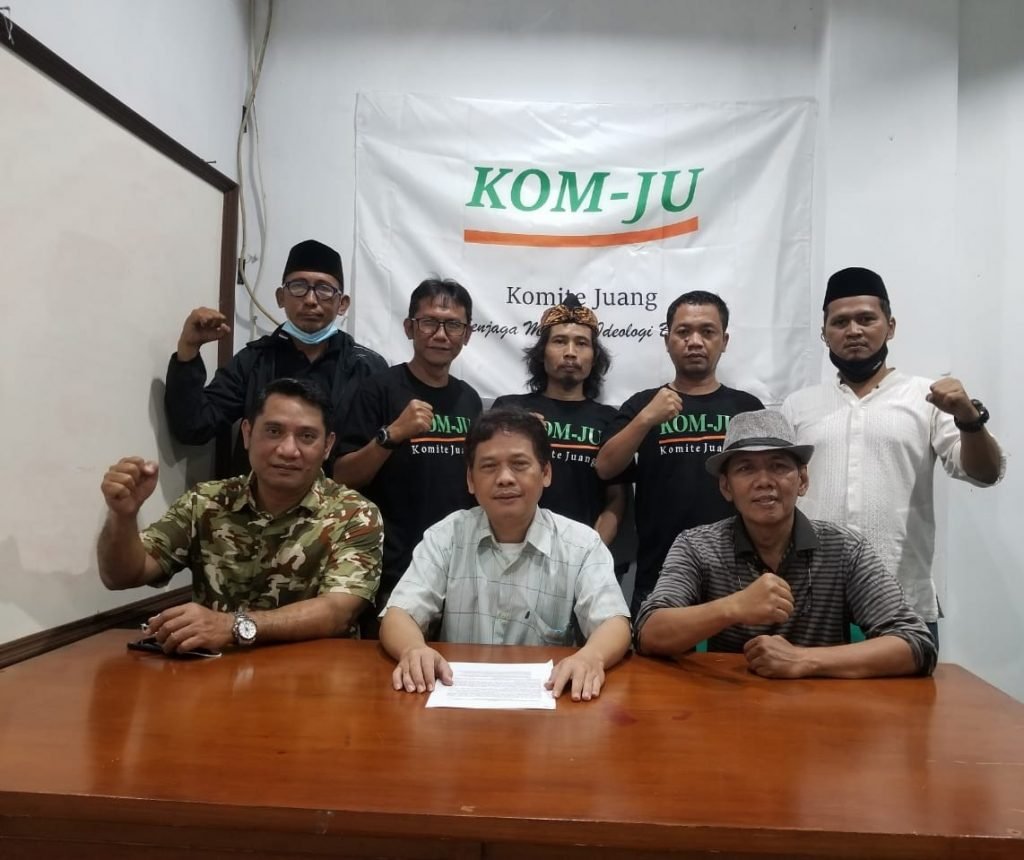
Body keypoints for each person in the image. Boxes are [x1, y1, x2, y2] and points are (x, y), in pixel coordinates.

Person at [781, 267, 1004, 641]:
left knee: (909, 684)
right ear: (824, 334)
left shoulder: (927, 398)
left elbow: (985, 473)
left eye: (866, 319)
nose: (854, 331)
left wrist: (969, 418)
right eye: (840, 322)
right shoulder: (799, 406)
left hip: (901, 602)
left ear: (891, 326)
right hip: (814, 603)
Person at [635, 410, 937, 679]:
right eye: (745, 469)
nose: (764, 481)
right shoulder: (697, 546)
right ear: (726, 487)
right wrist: (733, 607)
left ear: (802, 480)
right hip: (729, 705)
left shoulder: (845, 548)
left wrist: (803, 660)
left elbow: (916, 643)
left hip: (826, 709)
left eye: (779, 466)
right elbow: (648, 633)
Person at [98, 378, 382, 653]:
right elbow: (122, 576)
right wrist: (123, 516)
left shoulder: (354, 513)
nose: (288, 450)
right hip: (213, 670)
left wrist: (233, 626)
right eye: (273, 431)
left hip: (312, 674)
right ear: (247, 434)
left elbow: (337, 611)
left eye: (306, 436)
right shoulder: (205, 501)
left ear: (328, 446)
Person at [380, 408, 631, 701]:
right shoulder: (446, 536)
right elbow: (399, 613)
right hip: (458, 701)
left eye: (519, 464)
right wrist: (413, 649)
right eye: (488, 467)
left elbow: (614, 622)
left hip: (551, 703)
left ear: (546, 473)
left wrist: (591, 657)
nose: (505, 478)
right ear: (470, 480)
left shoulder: (582, 544)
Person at [595, 290, 763, 610]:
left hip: (737, 572)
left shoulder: (747, 407)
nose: (695, 341)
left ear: (724, 341)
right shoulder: (642, 404)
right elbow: (605, 467)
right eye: (683, 332)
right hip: (660, 572)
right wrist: (646, 418)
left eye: (707, 332)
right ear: (667, 340)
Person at [165, 239, 386, 475]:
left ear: (342, 304)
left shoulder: (367, 367)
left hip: (339, 497)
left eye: (324, 290)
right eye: (298, 287)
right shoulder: (253, 361)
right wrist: (189, 349)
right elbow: (194, 427)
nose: (311, 300)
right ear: (281, 297)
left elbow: (382, 452)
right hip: (260, 495)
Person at [334, 278, 483, 614]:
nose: (440, 334)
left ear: (467, 335)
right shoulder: (378, 389)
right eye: (429, 322)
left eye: (453, 325)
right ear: (409, 328)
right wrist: (392, 435)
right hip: (391, 567)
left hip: (456, 566)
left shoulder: (469, 399)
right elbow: (342, 476)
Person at [493, 294, 625, 545]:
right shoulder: (510, 410)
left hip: (584, 553)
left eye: (582, 343)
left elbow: (617, 499)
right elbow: (488, 479)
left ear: (594, 357)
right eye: (560, 341)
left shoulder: (611, 420)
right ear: (542, 353)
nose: (570, 353)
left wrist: (591, 553)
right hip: (515, 549)